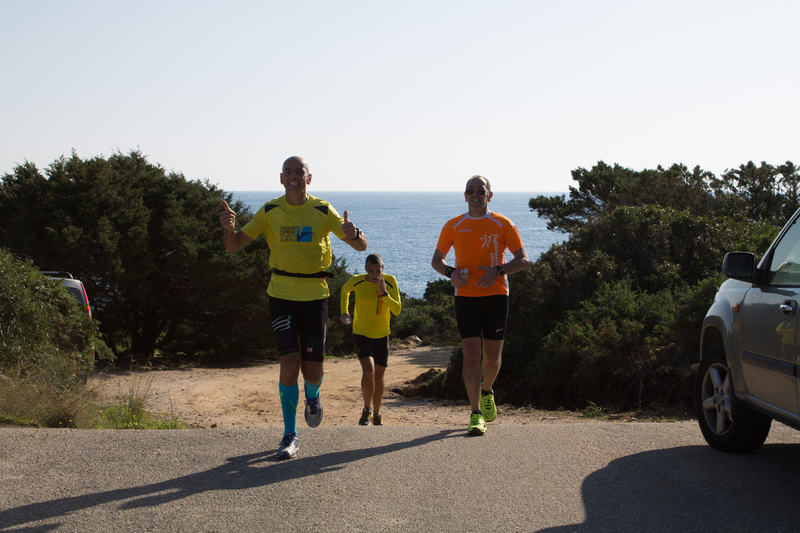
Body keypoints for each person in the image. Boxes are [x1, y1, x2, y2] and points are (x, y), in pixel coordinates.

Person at [219, 156, 367, 459]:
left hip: (315, 296)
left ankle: (313, 396)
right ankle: (289, 434)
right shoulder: (271, 210)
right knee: (289, 364)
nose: (294, 176)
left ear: (308, 179)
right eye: (288, 172)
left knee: (312, 373)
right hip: (282, 294)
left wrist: (356, 234)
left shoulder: (323, 210)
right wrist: (228, 228)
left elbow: (360, 246)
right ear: (281, 178)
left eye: (299, 172)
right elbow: (233, 246)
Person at [431, 175, 530, 436]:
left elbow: (523, 260)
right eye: (470, 190)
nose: (475, 194)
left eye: (480, 190)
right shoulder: (454, 225)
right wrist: (451, 273)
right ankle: (475, 414)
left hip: (496, 296)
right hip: (465, 297)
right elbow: (437, 260)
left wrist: (498, 270)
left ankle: (487, 391)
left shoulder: (502, 223)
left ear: (489, 195)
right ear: (465, 196)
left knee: (492, 357)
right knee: (472, 356)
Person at [339, 254, 402, 426]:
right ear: (366, 269)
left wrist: (384, 294)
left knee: (379, 376)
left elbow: (396, 309)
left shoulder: (390, 281)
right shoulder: (357, 281)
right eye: (371, 271)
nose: (375, 275)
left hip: (382, 335)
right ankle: (366, 410)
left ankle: (377, 412)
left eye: (378, 271)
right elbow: (345, 290)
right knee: (369, 371)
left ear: (383, 268)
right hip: (362, 333)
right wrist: (344, 311)